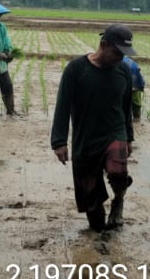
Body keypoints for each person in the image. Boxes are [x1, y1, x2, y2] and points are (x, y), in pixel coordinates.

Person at [50, 25, 137, 231]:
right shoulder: (76, 70)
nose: (120, 58)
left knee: (119, 172)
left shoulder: (123, 70)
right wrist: (59, 141)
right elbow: (63, 105)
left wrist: (129, 137)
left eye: (124, 54)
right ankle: (99, 232)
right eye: (117, 53)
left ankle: (118, 201)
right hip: (86, 138)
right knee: (91, 202)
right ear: (103, 45)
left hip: (114, 132)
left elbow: (126, 107)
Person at [122, 54, 146, 120]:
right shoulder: (133, 64)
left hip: (130, 81)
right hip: (135, 82)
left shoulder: (119, 61)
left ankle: (135, 118)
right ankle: (137, 118)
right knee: (136, 101)